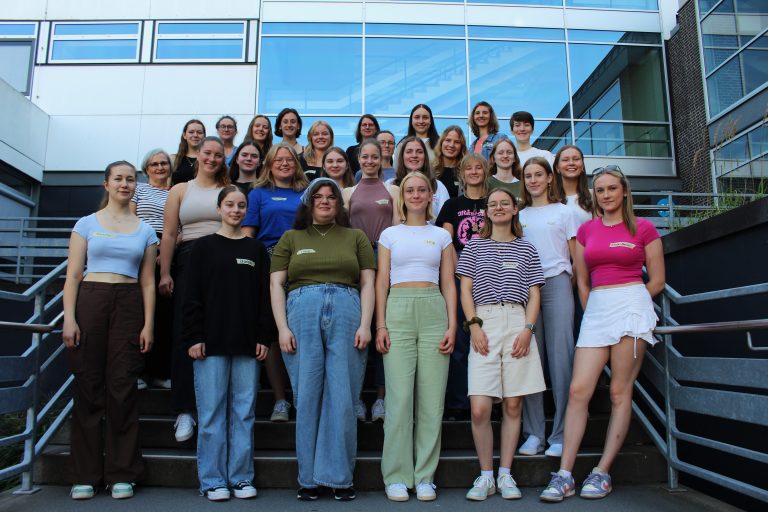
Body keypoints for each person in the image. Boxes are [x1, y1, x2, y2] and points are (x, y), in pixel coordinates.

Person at [540, 166, 665, 502]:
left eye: (612, 188)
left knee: (619, 393)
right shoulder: (586, 230)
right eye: (600, 189)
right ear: (593, 194)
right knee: (579, 390)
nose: (606, 194)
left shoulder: (644, 228)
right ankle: (564, 474)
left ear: (624, 191)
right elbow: (582, 280)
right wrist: (592, 306)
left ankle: (602, 472)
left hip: (632, 307)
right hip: (597, 309)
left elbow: (657, 280)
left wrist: (635, 302)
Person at [270, 178, 375, 501]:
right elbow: (276, 285)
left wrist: (366, 324)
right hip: (302, 311)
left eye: (332, 197)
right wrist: (282, 328)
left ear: (339, 205)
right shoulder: (291, 238)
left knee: (343, 396)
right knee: (308, 395)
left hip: (347, 310)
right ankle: (309, 479)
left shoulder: (355, 237)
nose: (326, 201)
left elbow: (368, 283)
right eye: (319, 197)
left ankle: (340, 478)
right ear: (309, 203)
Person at [63, 160, 158, 501]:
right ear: (106, 184)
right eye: (118, 178)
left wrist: (148, 323)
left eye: (131, 179)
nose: (125, 184)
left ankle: (122, 473)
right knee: (89, 387)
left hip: (129, 302)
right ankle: (85, 475)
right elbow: (73, 275)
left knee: (122, 388)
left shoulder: (146, 230)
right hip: (91, 300)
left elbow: (148, 282)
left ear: (136, 185)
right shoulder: (86, 224)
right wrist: (69, 318)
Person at [183, 186, 275, 501]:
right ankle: (212, 480)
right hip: (210, 343)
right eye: (230, 205)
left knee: (244, 413)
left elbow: (265, 297)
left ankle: (240, 477)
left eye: (241, 206)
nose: (235, 210)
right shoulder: (203, 248)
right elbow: (191, 295)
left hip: (248, 343)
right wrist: (194, 336)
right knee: (210, 414)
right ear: (219, 207)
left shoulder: (256, 250)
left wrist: (264, 336)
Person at [457, 187, 546, 501]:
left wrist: (528, 329)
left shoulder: (527, 248)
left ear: (514, 209)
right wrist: (473, 326)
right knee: (480, 408)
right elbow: (465, 289)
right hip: (485, 321)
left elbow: (535, 292)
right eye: (492, 204)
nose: (498, 208)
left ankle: (505, 473)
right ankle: (485, 476)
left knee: (512, 404)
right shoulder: (474, 247)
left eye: (504, 203)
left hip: (517, 320)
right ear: (486, 212)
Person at [376, 171, 457, 502]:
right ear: (402, 195)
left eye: (422, 189)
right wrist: (380, 324)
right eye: (410, 189)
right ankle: (396, 474)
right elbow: (382, 280)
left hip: (434, 309)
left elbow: (449, 282)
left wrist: (452, 325)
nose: (416, 194)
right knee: (399, 398)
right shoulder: (389, 234)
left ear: (430, 195)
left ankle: (425, 475)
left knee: (431, 400)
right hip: (398, 309)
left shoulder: (441, 235)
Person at [160, 137, 229, 444]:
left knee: (217, 332)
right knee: (186, 331)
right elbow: (171, 233)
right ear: (198, 155)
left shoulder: (227, 190)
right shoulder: (180, 189)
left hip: (222, 259)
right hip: (188, 258)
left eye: (218, 155)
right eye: (207, 153)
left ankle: (213, 407)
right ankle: (185, 410)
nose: (212, 158)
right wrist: (164, 271)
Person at [242, 143, 309, 423]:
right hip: (268, 261)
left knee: (301, 330)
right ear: (269, 165)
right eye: (278, 160)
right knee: (272, 331)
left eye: (289, 159)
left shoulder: (306, 193)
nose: (284, 163)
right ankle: (281, 399)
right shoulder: (258, 195)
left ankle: (303, 396)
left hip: (302, 260)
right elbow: (248, 235)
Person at [518, 157, 579, 458]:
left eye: (538, 174)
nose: (533, 180)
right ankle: (534, 433)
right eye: (528, 175)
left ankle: (561, 433)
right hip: (527, 288)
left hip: (557, 283)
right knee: (531, 359)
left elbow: (576, 258)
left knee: (561, 357)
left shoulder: (565, 212)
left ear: (549, 178)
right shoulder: (520, 215)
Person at [342, 138, 400, 422]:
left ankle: (380, 398)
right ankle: (354, 398)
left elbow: (399, 227)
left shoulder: (392, 190)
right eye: (364, 157)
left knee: (381, 326)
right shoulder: (348, 192)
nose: (369, 161)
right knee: (356, 328)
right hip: (356, 259)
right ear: (359, 160)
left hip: (384, 257)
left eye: (374, 156)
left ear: (381, 158)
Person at [435, 153, 489, 421]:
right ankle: (458, 402)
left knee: (489, 338)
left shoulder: (495, 202)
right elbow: (447, 241)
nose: (474, 172)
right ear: (461, 174)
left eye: (479, 167)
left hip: (491, 280)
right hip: (460, 278)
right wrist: (461, 272)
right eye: (469, 168)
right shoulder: (452, 205)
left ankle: (490, 399)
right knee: (461, 342)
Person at [130, 149, 172, 390]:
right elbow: (131, 218)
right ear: (146, 169)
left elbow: (179, 225)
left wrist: (164, 252)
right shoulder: (139, 189)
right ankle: (136, 370)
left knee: (163, 314)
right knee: (137, 313)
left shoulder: (176, 191)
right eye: (154, 164)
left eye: (164, 163)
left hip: (165, 254)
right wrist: (146, 248)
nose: (159, 168)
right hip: (140, 249)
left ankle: (158, 371)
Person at [389, 136, 449, 221]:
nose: (414, 155)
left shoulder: (438, 186)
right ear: (402, 156)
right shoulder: (390, 185)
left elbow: (445, 219)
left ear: (425, 156)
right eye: (409, 152)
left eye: (419, 152)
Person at [554, 145, 593, 226]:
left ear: (582, 166)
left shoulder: (594, 196)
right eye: (565, 160)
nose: (571, 163)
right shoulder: (549, 198)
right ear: (557, 167)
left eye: (576, 159)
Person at [432, 126, 468, 197]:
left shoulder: (466, 172)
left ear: (462, 147)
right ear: (441, 143)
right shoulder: (430, 170)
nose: (451, 145)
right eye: (448, 140)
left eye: (457, 142)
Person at [171, 119, 206, 185]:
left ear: (204, 136)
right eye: (191, 132)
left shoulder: (208, 160)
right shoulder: (173, 159)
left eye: (199, 132)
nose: (195, 135)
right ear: (184, 135)